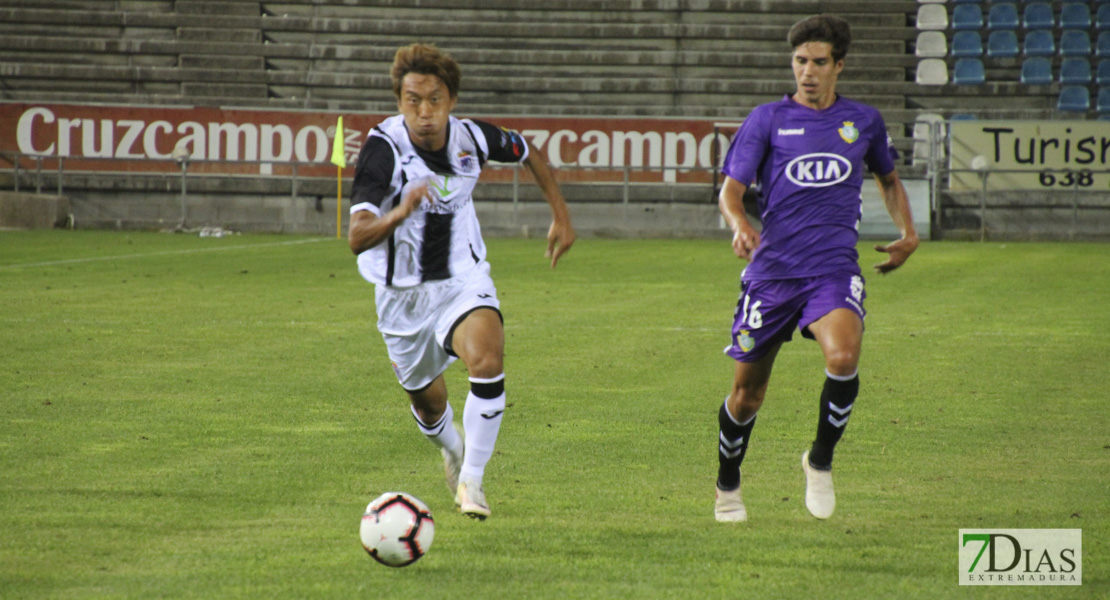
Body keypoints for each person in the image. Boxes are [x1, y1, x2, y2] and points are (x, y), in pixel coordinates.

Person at [348, 43, 575, 520]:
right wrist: (400, 211)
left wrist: (560, 214)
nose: (424, 112)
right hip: (401, 298)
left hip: (461, 279)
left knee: (487, 356)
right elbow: (357, 237)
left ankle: (472, 481)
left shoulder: (471, 138)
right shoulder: (382, 151)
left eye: (434, 100)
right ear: (398, 101)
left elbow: (527, 149)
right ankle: (452, 450)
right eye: (413, 100)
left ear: (451, 101)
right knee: (430, 408)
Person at [713, 15, 918, 522]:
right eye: (800, 61)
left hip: (832, 268)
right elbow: (731, 192)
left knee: (844, 356)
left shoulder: (863, 121)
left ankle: (820, 461)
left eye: (818, 62)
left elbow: (888, 180)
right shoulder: (766, 120)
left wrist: (908, 232)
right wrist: (740, 225)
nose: (807, 71)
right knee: (747, 395)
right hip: (772, 274)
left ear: (839, 66)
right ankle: (728, 484)